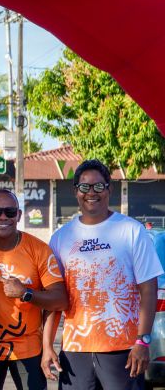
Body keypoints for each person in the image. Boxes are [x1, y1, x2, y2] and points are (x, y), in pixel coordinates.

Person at [43, 159, 163, 389]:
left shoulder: (131, 230)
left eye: (98, 186)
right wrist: (47, 345)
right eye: (84, 186)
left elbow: (148, 288)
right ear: (75, 191)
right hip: (75, 349)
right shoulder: (61, 237)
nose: (91, 193)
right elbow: (55, 296)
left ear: (109, 189)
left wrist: (143, 341)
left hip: (123, 349)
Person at [0, 189, 67, 390]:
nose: (3, 217)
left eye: (10, 211)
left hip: (28, 347)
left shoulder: (38, 249)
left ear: (19, 215)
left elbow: (59, 299)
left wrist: (26, 293)